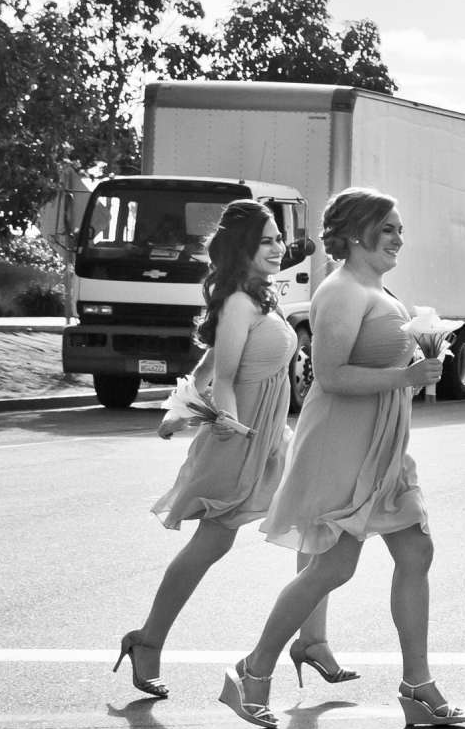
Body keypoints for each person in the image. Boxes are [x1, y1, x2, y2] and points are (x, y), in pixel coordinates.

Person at [221, 188, 458, 729]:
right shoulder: (341, 290)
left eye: (401, 228)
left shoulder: (376, 286)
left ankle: (418, 687)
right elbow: (330, 375)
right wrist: (405, 376)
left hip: (385, 445)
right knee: (335, 565)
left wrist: (423, 361)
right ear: (357, 233)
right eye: (390, 228)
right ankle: (251, 672)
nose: (400, 237)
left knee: (416, 550)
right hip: (343, 444)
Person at [115, 200, 355, 700]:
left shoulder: (257, 298)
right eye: (266, 240)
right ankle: (148, 640)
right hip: (239, 439)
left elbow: (209, 362)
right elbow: (224, 377)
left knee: (316, 524)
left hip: (272, 437)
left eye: (277, 240)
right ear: (243, 247)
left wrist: (178, 402)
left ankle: (313, 641)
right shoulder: (239, 303)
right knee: (214, 542)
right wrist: (227, 421)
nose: (277, 247)